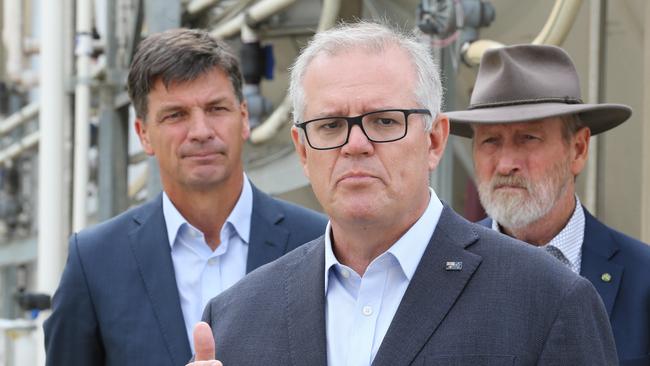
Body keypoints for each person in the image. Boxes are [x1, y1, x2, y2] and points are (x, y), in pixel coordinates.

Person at [187, 22, 617, 366]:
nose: (355, 144)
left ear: (434, 140)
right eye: (330, 126)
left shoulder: (546, 301)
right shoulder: (235, 320)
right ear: (302, 150)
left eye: (385, 121)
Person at [43, 28, 326, 366]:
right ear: (143, 134)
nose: (201, 131)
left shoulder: (319, 242)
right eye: (175, 115)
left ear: (244, 118)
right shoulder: (95, 263)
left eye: (216, 108)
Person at [446, 44, 650, 365]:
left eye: (529, 138)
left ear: (578, 149)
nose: (506, 164)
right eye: (490, 140)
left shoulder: (644, 279)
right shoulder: (438, 272)